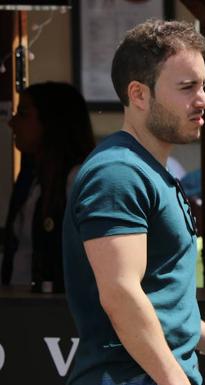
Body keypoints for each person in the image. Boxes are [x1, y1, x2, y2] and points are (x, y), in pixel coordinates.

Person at [62, 20, 205, 385]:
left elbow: (160, 298)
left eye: (203, 85)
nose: (203, 99)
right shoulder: (117, 173)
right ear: (139, 95)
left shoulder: (147, 169)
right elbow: (122, 295)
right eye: (188, 87)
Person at [1, 82, 95, 293]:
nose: (12, 122)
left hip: (55, 312)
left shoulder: (78, 180)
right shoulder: (32, 180)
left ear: (52, 122)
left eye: (23, 114)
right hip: (24, 307)